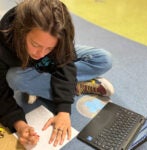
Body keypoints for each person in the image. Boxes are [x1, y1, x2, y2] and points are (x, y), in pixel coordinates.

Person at [0, 0, 114, 147]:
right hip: (22, 69)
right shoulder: (3, 47)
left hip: (50, 63)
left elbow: (65, 64)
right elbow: (1, 93)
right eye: (35, 45)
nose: (41, 53)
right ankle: (64, 85)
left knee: (104, 59)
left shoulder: (58, 34)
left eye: (49, 48)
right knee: (15, 79)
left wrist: (64, 110)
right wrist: (20, 125)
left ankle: (48, 85)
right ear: (21, 32)